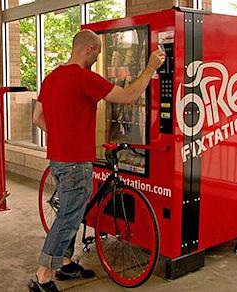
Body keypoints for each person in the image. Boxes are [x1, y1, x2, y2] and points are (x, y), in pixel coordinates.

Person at [28, 29, 165, 292]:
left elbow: (36, 118)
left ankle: (65, 263)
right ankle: (42, 276)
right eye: (99, 52)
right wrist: (150, 67)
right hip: (76, 162)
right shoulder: (83, 77)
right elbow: (128, 96)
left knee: (71, 210)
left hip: (58, 159)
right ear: (89, 49)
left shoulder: (52, 77)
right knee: (69, 216)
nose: (99, 56)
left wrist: (62, 136)